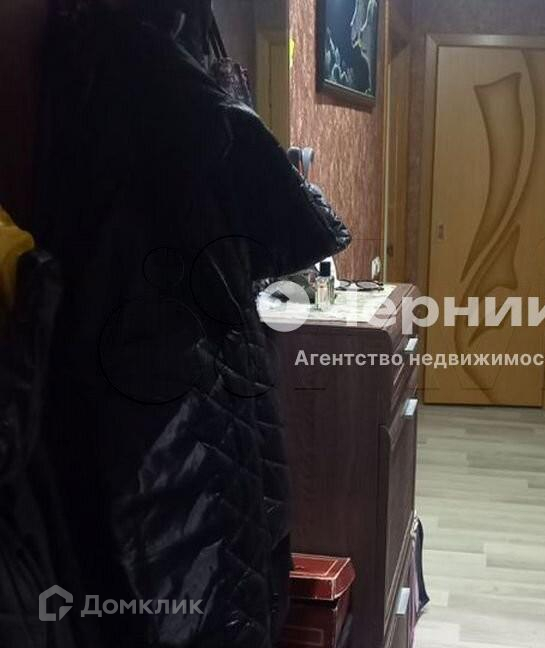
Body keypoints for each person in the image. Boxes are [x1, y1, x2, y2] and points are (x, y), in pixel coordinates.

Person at [30, 2, 350, 646]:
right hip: (185, 450)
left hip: (168, 455)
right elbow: (304, 227)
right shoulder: (181, 112)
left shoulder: (99, 108)